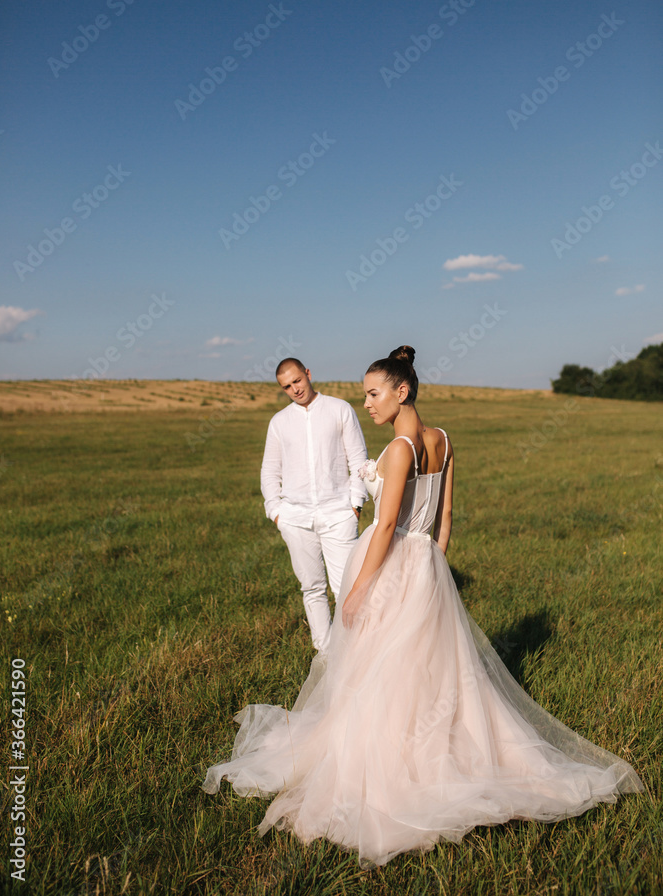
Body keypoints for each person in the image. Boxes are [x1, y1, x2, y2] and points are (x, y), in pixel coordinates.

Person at [203, 346, 644, 868]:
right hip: (427, 563)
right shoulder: (443, 440)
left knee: (379, 670)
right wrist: (432, 560)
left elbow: (386, 526)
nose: (365, 403)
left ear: (401, 391)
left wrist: (361, 585)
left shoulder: (399, 449)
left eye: (373, 393)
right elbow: (447, 515)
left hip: (389, 564)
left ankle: (395, 764)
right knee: (430, 668)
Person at [260, 357, 368, 655]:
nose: (294, 389)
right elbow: (270, 470)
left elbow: (358, 458)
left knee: (347, 588)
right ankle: (325, 654)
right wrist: (276, 512)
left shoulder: (339, 409)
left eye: (297, 381)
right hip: (294, 518)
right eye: (286, 386)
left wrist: (354, 504)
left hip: (338, 515)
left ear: (308, 374)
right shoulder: (279, 422)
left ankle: (355, 654)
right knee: (312, 588)